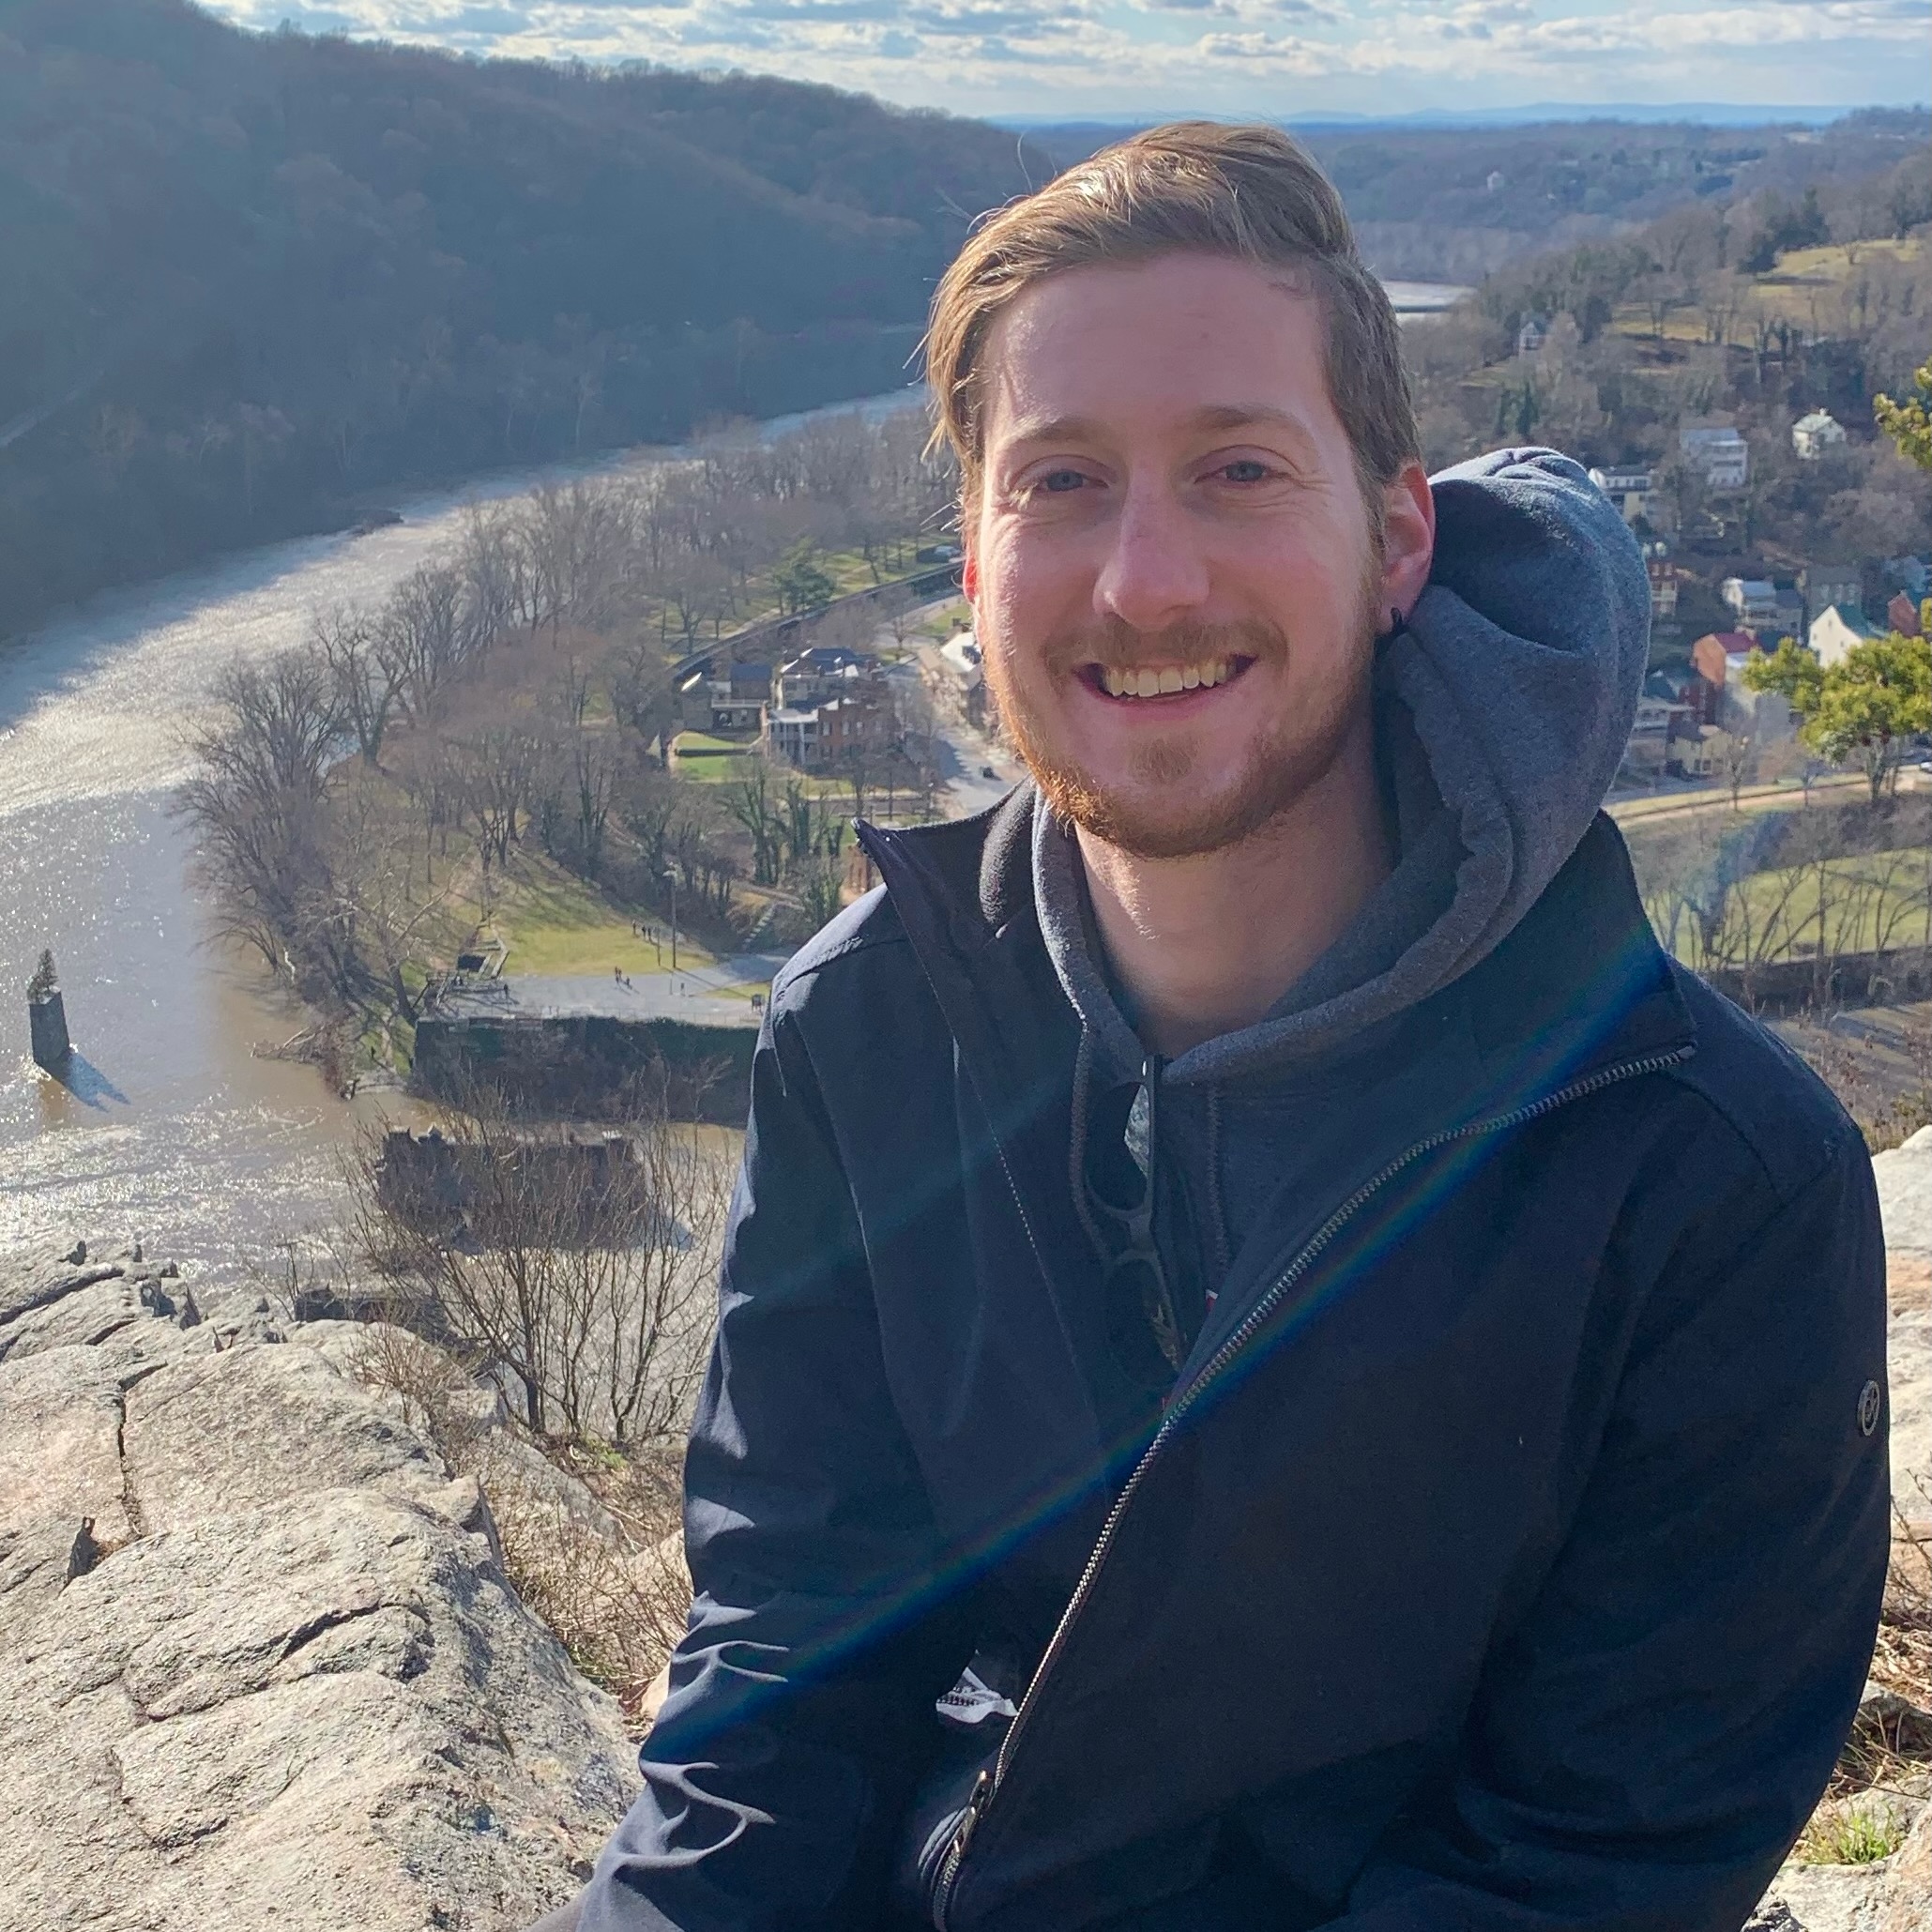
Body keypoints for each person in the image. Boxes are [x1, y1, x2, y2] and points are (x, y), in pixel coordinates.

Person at [539, 123, 1889, 1932]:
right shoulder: (867, 1035)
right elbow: (792, 1662)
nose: (1146, 583)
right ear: (969, 560)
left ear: (1396, 533)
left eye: (1239, 469)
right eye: (1064, 481)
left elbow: (1592, 1866)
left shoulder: (1706, 1182)